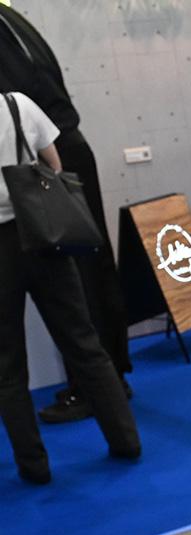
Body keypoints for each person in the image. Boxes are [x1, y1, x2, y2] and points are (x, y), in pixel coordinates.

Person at [0, 91, 139, 485]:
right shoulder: (17, 104)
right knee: (83, 343)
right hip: (43, 235)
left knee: (7, 364)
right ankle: (126, 441)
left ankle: (34, 466)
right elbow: (55, 164)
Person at [0, 3, 130, 424]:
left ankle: (91, 389)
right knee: (93, 265)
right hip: (66, 147)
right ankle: (110, 378)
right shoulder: (11, 18)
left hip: (42, 164)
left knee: (74, 282)